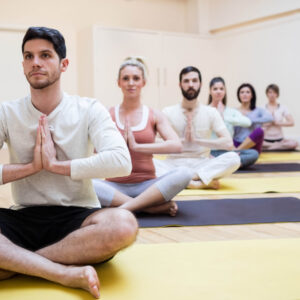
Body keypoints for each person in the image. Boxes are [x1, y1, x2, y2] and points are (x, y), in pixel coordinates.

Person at [0, 27, 138, 299]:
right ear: (23, 64)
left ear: (64, 64)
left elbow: (122, 161)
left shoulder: (88, 109)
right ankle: (62, 272)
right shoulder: (7, 112)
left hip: (78, 218)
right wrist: (31, 168)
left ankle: (19, 263)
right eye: (29, 56)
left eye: (45, 55)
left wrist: (57, 166)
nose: (35, 62)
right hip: (24, 216)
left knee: (124, 224)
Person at [93, 58, 193, 216]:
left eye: (136, 78)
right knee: (81, 182)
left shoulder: (154, 114)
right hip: (114, 187)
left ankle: (125, 208)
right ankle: (148, 207)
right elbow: (97, 152)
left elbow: (176, 145)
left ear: (143, 82)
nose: (131, 83)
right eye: (126, 78)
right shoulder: (107, 114)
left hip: (148, 187)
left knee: (185, 173)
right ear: (119, 82)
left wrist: (137, 147)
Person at [154, 66, 240, 190]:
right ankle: (196, 183)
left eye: (194, 81)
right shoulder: (168, 111)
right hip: (173, 164)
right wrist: (180, 141)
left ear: (200, 84)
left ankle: (185, 179)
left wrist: (197, 141)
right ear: (180, 84)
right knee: (146, 163)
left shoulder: (211, 112)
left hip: (202, 163)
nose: (191, 84)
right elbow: (153, 143)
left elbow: (228, 143)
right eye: (186, 81)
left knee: (234, 158)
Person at [208, 77, 259, 168]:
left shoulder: (231, 112)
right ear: (210, 91)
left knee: (253, 154)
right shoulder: (205, 110)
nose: (218, 91)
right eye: (215, 89)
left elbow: (247, 122)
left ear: (225, 91)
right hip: (210, 152)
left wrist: (224, 117)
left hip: (228, 152)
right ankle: (229, 164)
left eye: (221, 89)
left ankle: (221, 164)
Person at [233, 83, 273, 153]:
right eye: (242, 92)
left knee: (260, 131)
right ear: (239, 95)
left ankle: (237, 151)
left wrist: (249, 120)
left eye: (247, 92)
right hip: (237, 142)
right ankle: (238, 151)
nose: (244, 94)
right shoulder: (234, 111)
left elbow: (270, 118)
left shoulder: (258, 110)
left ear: (252, 95)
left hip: (253, 145)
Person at [262, 84, 298, 150]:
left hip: (279, 139)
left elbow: (291, 122)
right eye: (270, 92)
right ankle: (275, 146)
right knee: (255, 144)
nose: (272, 95)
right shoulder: (262, 108)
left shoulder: (283, 107)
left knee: (294, 143)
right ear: (267, 94)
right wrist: (268, 123)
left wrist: (277, 123)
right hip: (266, 140)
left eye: (274, 92)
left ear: (277, 94)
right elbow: (256, 124)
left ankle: (271, 147)